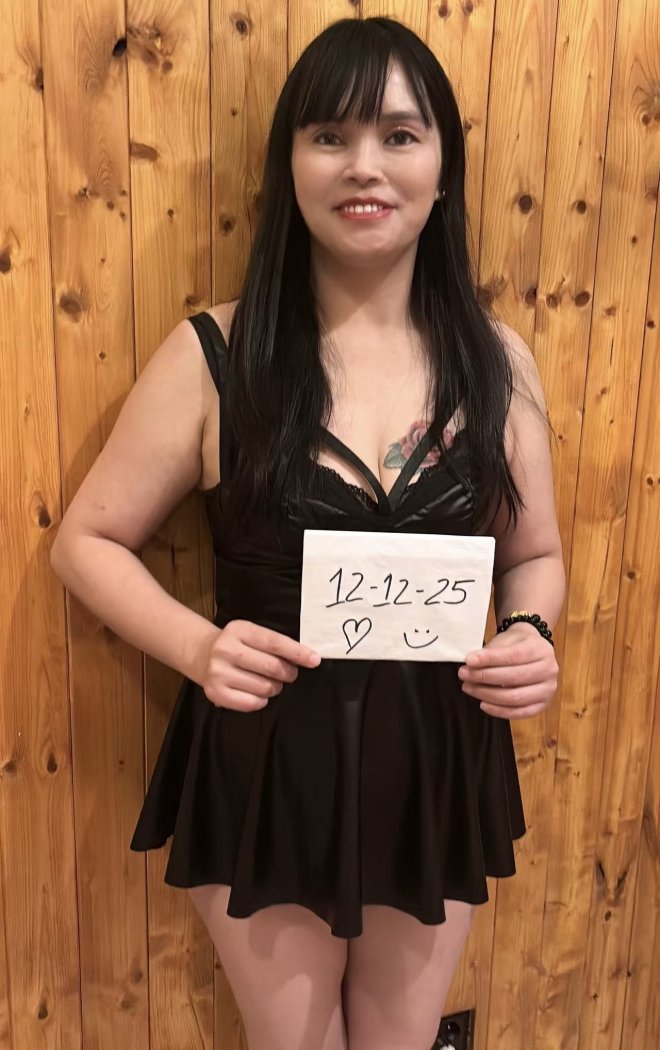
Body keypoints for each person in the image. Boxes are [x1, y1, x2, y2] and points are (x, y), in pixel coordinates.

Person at [50, 16, 565, 1050]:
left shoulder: (497, 361)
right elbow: (86, 543)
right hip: (268, 768)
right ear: (290, 164)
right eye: (330, 135)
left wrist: (531, 634)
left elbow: (535, 555)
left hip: (434, 768)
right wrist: (198, 646)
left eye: (399, 135)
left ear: (443, 169)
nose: (364, 164)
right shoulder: (216, 352)